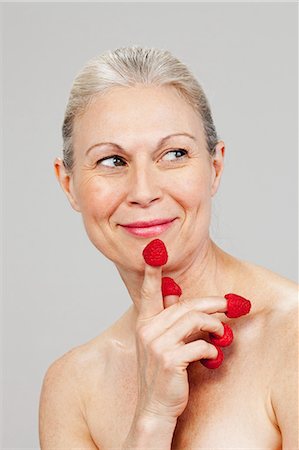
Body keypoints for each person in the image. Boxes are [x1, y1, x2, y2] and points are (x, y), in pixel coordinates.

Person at [39, 46, 298, 449]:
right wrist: (152, 417)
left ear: (214, 167)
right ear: (68, 183)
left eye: (174, 154)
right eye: (111, 161)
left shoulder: (292, 336)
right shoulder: (72, 387)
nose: (143, 191)